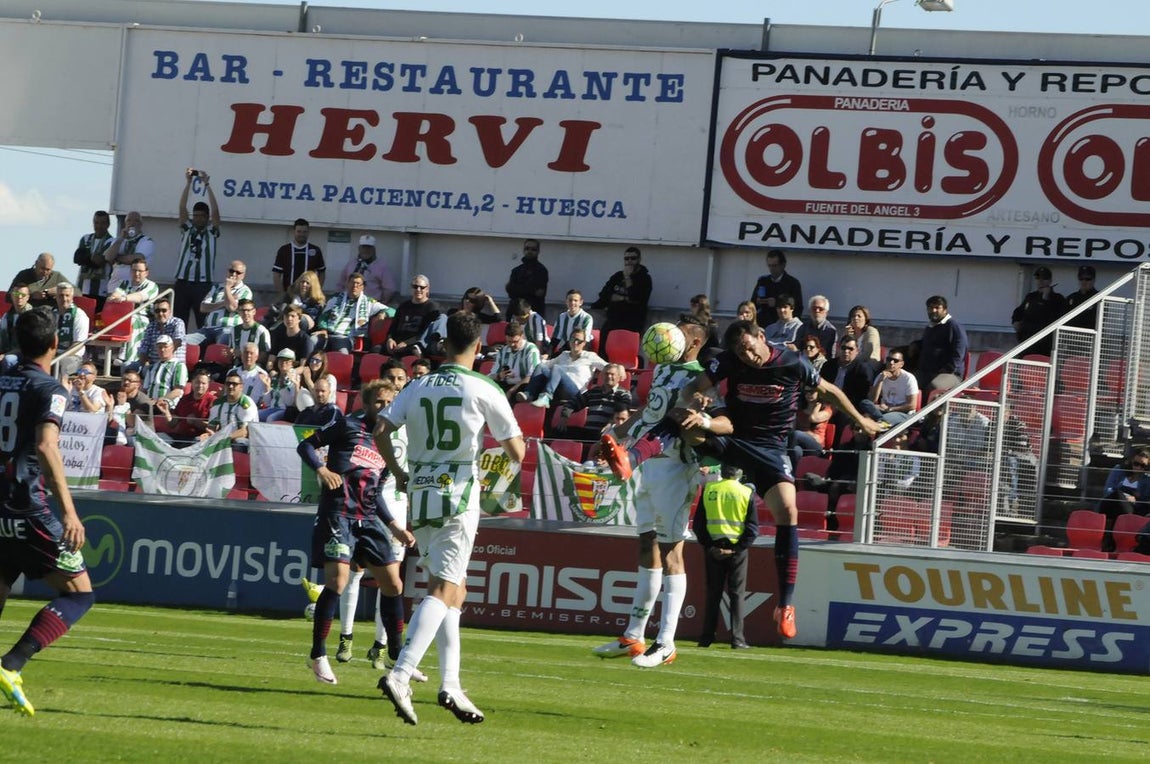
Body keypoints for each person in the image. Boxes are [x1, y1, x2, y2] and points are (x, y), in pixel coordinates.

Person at [604, 319, 884, 641]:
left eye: (749, 348)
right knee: (685, 419)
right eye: (740, 351)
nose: (747, 356)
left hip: (770, 450)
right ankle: (632, 457)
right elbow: (690, 388)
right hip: (733, 439)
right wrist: (698, 400)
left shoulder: (792, 362)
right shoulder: (727, 360)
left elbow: (830, 391)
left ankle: (786, 606)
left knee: (788, 512)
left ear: (762, 337)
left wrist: (861, 420)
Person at [375, 311, 525, 726]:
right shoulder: (483, 386)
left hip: (420, 492)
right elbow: (518, 452)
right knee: (444, 588)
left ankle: (452, 686)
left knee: (455, 590)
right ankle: (402, 673)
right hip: (458, 494)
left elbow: (380, 429)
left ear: (443, 344)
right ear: (478, 347)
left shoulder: (419, 383)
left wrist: (401, 473)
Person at [592, 317, 710, 667]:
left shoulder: (700, 377)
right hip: (646, 463)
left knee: (672, 550)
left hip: (675, 466)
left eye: (682, 333)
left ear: (695, 342)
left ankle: (667, 641)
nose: (671, 335)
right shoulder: (662, 371)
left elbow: (690, 420)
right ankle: (634, 634)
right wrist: (620, 432)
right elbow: (650, 410)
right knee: (647, 543)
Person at [0, 307, 96, 717]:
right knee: (80, 593)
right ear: (56, 344)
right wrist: (70, 512)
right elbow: (45, 446)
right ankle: (10, 666)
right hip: (26, 505)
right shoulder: (51, 389)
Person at [296, 379, 416, 687]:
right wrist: (322, 470)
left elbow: (376, 493)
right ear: (366, 403)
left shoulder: (387, 443)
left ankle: (397, 654)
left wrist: (395, 527)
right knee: (337, 581)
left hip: (369, 517)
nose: (384, 407)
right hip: (339, 513)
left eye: (388, 402)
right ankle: (318, 654)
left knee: (393, 584)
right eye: (378, 402)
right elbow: (306, 444)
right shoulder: (346, 425)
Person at [692, 465, 758, 649]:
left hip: (713, 548)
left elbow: (698, 525)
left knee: (713, 593)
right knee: (737, 594)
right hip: (737, 550)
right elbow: (752, 529)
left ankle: (706, 637)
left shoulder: (710, 489)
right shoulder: (746, 492)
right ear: (740, 474)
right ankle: (737, 639)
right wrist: (736, 549)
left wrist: (710, 546)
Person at [174, 169, 222, 329]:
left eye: (202, 215)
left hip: (203, 284)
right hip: (183, 281)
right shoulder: (187, 229)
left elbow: (216, 212)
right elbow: (182, 207)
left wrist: (207, 185)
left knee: (203, 323)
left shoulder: (211, 232)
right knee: (179, 322)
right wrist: (188, 183)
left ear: (206, 217)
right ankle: (178, 351)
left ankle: (201, 352)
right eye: (195, 215)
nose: (198, 218)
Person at [514, 328, 606, 409]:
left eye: (579, 341)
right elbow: (547, 364)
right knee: (541, 366)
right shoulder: (564, 354)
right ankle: (529, 394)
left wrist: (619, 369)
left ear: (584, 343)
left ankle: (546, 396)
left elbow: (607, 366)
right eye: (573, 339)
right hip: (558, 388)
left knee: (557, 369)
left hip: (576, 392)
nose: (575, 342)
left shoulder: (590, 356)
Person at [591, 246, 653, 353]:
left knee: (624, 354)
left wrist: (628, 279)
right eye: (626, 259)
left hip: (632, 323)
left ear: (639, 259)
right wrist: (618, 298)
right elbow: (603, 295)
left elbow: (639, 298)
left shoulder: (645, 278)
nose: (629, 261)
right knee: (603, 351)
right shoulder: (617, 276)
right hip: (612, 321)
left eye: (633, 258)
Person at [314, 273, 391, 354]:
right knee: (312, 341)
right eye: (352, 283)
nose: (354, 286)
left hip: (346, 337)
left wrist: (383, 314)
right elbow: (324, 315)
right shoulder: (336, 298)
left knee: (341, 352)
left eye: (358, 284)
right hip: (328, 333)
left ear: (362, 287)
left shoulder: (369, 302)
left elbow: (392, 311)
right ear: (347, 284)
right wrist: (323, 329)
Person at [555, 363, 633, 442]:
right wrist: (564, 417)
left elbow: (623, 410)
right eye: (606, 374)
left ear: (619, 377)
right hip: (588, 431)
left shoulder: (623, 394)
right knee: (558, 431)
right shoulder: (593, 392)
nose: (609, 376)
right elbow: (573, 402)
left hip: (607, 432)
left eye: (612, 374)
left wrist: (611, 423)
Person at [105, 257, 160, 366]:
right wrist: (113, 298)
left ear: (146, 273)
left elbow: (140, 297)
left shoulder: (151, 285)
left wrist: (124, 298)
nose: (137, 273)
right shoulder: (125, 283)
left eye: (140, 271)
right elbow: (115, 294)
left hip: (144, 318)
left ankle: (125, 356)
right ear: (130, 271)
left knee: (131, 319)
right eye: (134, 270)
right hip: (122, 316)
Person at [186, 260, 251, 347]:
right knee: (183, 342)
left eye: (238, 272)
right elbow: (203, 307)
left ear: (243, 275)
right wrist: (223, 303)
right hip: (207, 329)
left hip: (228, 328)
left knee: (222, 343)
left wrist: (227, 287)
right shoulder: (216, 287)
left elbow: (232, 307)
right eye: (231, 271)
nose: (233, 274)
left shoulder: (245, 291)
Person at [1097, 449, 1150, 550]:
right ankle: (1108, 539)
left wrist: (1135, 499)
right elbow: (1108, 489)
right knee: (1115, 496)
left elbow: (1146, 500)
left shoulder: (1147, 479)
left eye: (1142, 465)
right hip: (1113, 502)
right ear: (1131, 462)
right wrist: (1123, 496)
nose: (1138, 467)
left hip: (1133, 507)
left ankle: (1108, 538)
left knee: (1115, 497)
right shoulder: (1119, 470)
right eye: (1136, 464)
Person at [917, 295, 969, 392]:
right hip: (927, 372)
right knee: (910, 384)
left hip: (950, 375)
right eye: (930, 308)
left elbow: (959, 352)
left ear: (945, 310)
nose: (933, 310)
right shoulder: (930, 327)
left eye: (937, 307)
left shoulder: (953, 326)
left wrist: (948, 369)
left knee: (933, 387)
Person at [1012, 266, 1066, 356]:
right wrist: (1015, 321)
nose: (1040, 281)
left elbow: (1052, 317)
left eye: (1044, 278)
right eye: (1038, 278)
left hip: (1045, 345)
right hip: (1026, 342)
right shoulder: (1031, 296)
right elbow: (1019, 311)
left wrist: (1046, 298)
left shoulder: (1058, 299)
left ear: (1050, 281)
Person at [155, 368, 216, 446]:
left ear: (208, 385)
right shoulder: (184, 399)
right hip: (180, 437)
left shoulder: (213, 401)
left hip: (199, 439)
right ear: (192, 383)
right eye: (197, 382)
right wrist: (166, 412)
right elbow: (172, 424)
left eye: (203, 383)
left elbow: (214, 427)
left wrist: (196, 422)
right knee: (156, 438)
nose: (200, 386)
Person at [860, 348, 920, 426]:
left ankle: (879, 419)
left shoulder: (909, 378)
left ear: (901, 364)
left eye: (895, 361)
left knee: (883, 419)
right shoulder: (881, 376)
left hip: (903, 412)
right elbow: (872, 399)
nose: (891, 363)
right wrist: (880, 380)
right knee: (864, 404)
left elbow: (912, 405)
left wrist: (890, 409)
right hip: (884, 409)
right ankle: (879, 418)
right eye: (889, 359)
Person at [102, 211, 156, 296]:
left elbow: (136, 260)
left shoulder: (146, 241)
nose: (132, 223)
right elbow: (108, 257)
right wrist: (121, 239)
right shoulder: (119, 240)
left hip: (133, 288)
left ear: (141, 224)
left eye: (136, 221)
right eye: (129, 221)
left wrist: (117, 258)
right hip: (114, 286)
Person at [385, 276, 440, 357]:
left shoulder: (432, 308)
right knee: (375, 350)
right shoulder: (403, 306)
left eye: (422, 287)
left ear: (427, 289)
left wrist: (406, 343)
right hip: (396, 343)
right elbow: (393, 327)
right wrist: (390, 339)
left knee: (410, 352)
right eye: (415, 287)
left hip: (415, 345)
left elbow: (425, 333)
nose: (418, 290)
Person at [73, 210, 116, 311]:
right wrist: (91, 258)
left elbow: (99, 262)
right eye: (96, 223)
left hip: (101, 290)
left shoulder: (112, 241)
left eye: (102, 223)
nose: (99, 226)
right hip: (82, 288)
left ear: (108, 224)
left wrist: (87, 258)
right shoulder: (85, 238)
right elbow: (78, 258)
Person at [202, 369, 258, 446]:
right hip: (221, 439)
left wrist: (222, 438)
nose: (230, 386)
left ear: (241, 387)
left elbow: (244, 432)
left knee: (239, 443)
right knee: (198, 440)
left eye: (234, 384)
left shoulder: (246, 404)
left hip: (245, 440)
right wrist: (208, 435)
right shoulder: (217, 403)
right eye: (228, 383)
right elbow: (211, 427)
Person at [338, 234, 398, 305]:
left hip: (371, 304)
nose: (366, 250)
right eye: (364, 247)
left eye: (369, 248)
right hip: (349, 303)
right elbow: (341, 284)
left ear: (374, 249)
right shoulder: (351, 264)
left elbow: (390, 289)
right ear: (359, 248)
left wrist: (382, 303)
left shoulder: (382, 267)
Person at [489, 321, 541, 401]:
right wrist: (499, 376)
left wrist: (511, 391)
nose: (512, 345)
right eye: (509, 342)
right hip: (506, 385)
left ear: (522, 337)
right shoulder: (502, 351)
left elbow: (532, 376)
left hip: (522, 387)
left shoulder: (531, 350)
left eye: (515, 342)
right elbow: (492, 375)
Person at [751, 249, 803, 327]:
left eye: (775, 266)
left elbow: (798, 308)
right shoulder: (763, 281)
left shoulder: (792, 283)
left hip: (783, 325)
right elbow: (752, 303)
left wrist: (777, 303)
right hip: (762, 323)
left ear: (783, 265)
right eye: (769, 265)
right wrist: (758, 301)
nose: (772, 269)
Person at [272, 218, 325, 294]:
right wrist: (282, 294)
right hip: (289, 294)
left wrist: (317, 291)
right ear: (294, 232)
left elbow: (322, 272)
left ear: (308, 233)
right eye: (299, 231)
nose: (301, 234)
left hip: (308, 295)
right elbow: (276, 275)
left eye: (304, 232)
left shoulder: (315, 250)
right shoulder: (284, 250)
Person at [137, 297, 187, 367]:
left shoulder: (178, 323)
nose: (160, 313)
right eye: (157, 311)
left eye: (164, 310)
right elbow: (143, 348)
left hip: (173, 364)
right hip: (153, 364)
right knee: (127, 365)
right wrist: (146, 364)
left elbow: (178, 341)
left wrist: (164, 358)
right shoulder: (151, 326)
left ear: (170, 311)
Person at [504, 238, 548, 318]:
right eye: (527, 248)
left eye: (533, 249)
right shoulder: (516, 270)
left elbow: (539, 293)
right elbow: (510, 290)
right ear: (523, 250)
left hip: (533, 312)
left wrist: (517, 288)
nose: (529, 251)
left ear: (538, 251)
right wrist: (528, 289)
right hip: (514, 311)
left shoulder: (541, 270)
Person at [54, 283, 89, 379]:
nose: (64, 299)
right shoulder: (52, 314)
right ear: (56, 297)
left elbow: (78, 344)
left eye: (67, 295)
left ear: (72, 297)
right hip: (53, 353)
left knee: (59, 364)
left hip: (73, 357)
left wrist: (58, 357)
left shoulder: (79, 315)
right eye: (61, 296)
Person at [141, 335, 188, 405]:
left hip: (168, 404)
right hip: (150, 403)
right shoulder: (152, 368)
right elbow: (144, 389)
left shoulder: (179, 366)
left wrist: (160, 400)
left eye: (165, 347)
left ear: (172, 347)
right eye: (159, 347)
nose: (162, 350)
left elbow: (178, 391)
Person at [223, 300, 273, 366]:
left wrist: (243, 355)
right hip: (236, 365)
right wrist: (229, 353)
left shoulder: (261, 331)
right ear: (238, 312)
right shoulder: (234, 330)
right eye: (243, 310)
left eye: (248, 310)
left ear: (254, 312)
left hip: (255, 367)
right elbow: (232, 350)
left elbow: (264, 357)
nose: (245, 313)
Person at [792, 385, 832, 465]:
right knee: (796, 451)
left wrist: (818, 405)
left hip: (816, 446)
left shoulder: (826, 410)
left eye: (812, 391)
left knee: (797, 434)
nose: (808, 394)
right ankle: (792, 475)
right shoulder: (799, 411)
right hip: (800, 444)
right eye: (806, 392)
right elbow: (792, 429)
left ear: (819, 393)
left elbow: (813, 418)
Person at [549, 289, 593, 358]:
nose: (572, 303)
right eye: (570, 300)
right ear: (566, 301)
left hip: (582, 348)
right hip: (567, 347)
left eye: (575, 300)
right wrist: (548, 354)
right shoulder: (561, 317)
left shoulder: (586, 318)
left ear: (581, 302)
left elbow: (584, 341)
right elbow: (555, 339)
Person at [260, 349, 301, 422]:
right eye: (281, 360)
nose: (283, 363)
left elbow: (289, 403)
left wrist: (284, 386)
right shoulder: (275, 377)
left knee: (271, 418)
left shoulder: (295, 378)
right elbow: (267, 402)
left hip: (284, 410)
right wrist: (267, 388)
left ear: (292, 363)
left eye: (287, 361)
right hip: (272, 408)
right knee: (256, 415)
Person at [0, 284, 33, 361]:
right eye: (16, 294)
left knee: (8, 360)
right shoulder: (6, 316)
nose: (19, 297)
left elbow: (28, 346)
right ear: (11, 296)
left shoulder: (32, 316)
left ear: (28, 297)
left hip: (26, 354)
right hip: (7, 351)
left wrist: (5, 355)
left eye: (23, 295)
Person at [1065, 265, 1099, 330]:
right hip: (1070, 336)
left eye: (1087, 279)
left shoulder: (1099, 298)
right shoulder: (1071, 298)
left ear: (1094, 280)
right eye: (1081, 279)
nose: (1084, 282)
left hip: (1090, 337)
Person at [689, 294, 722, 360]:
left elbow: (716, 348)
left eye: (694, 306)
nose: (691, 309)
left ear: (701, 307)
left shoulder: (711, 326)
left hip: (705, 359)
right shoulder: (690, 322)